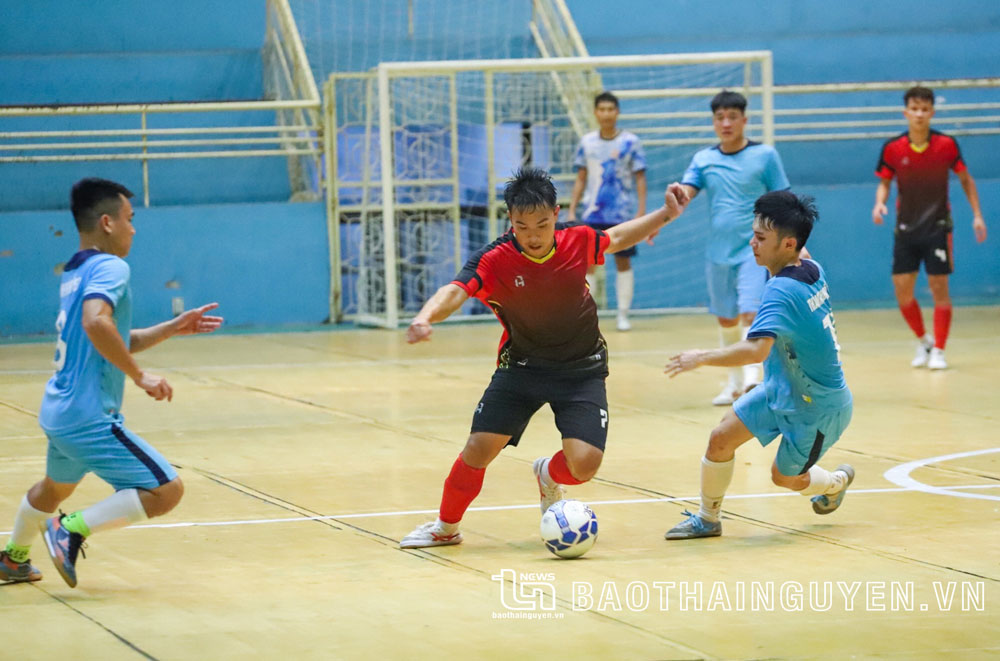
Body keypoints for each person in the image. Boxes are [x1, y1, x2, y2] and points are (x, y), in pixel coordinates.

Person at [399, 168, 689, 549]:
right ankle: (445, 527)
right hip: (522, 367)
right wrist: (425, 317)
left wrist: (666, 214)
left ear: (556, 213)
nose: (533, 236)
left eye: (541, 224)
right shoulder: (494, 259)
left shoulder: (576, 241)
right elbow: (455, 290)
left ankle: (548, 476)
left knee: (583, 465)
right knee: (478, 449)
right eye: (522, 226)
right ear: (510, 222)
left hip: (581, 368)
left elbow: (617, 236)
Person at [0, 178, 223, 587]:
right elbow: (96, 323)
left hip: (59, 412)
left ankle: (13, 558)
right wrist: (140, 377)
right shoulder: (111, 266)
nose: (133, 229)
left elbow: (108, 335)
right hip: (89, 416)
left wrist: (172, 327)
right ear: (107, 222)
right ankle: (71, 529)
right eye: (129, 219)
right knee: (166, 491)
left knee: (53, 489)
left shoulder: (75, 269)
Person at [663, 190, 854, 540]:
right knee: (720, 439)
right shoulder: (807, 264)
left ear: (787, 244)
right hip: (783, 387)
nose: (752, 243)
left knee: (784, 478)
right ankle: (708, 519)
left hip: (818, 408)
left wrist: (699, 358)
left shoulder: (782, 291)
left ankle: (835, 482)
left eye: (761, 238)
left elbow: (755, 350)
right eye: (753, 233)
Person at [680, 90, 791, 405]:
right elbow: (685, 194)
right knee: (726, 319)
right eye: (720, 118)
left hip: (754, 249)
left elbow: (785, 199)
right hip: (718, 252)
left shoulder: (765, 155)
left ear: (744, 120)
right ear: (714, 122)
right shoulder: (704, 159)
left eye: (732, 117)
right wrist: (664, 216)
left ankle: (754, 383)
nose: (726, 123)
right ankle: (733, 383)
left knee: (750, 312)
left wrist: (793, 242)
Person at [873, 86, 987, 370]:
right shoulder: (893, 147)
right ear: (906, 113)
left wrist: (977, 214)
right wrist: (879, 204)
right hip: (906, 230)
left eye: (925, 109)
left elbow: (965, 180)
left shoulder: (947, 145)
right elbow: (885, 182)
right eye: (914, 109)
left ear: (932, 113)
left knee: (939, 289)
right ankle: (924, 340)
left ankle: (939, 349)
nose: (920, 114)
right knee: (902, 291)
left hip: (937, 228)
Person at [568, 91, 648, 332]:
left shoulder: (630, 142)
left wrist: (641, 212)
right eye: (601, 109)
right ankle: (585, 315)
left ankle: (623, 315)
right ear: (595, 112)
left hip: (622, 215)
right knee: (589, 264)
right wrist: (572, 209)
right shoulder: (587, 142)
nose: (606, 114)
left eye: (610, 109)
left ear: (617, 112)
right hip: (592, 214)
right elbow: (580, 178)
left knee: (623, 262)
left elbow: (640, 178)